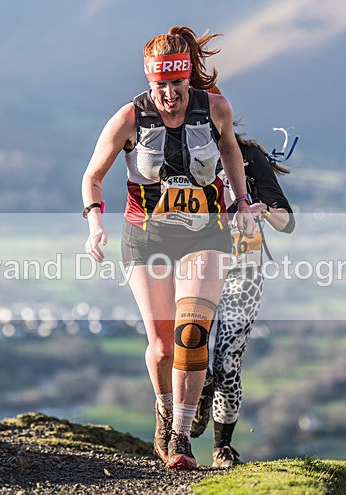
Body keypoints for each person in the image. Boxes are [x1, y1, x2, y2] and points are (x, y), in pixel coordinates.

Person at [81, 26, 256, 470]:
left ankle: (180, 438)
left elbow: (232, 152)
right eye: (161, 86)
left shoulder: (215, 109)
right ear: (149, 81)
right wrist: (95, 224)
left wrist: (241, 201)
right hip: (147, 237)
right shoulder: (128, 119)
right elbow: (93, 177)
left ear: (187, 79)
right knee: (162, 346)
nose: (170, 96)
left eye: (177, 85)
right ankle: (164, 410)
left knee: (192, 331)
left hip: (206, 234)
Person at [190, 131, 295, 468]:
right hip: (196, 267)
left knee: (228, 362)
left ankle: (223, 447)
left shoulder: (249, 157)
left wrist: (263, 213)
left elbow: (287, 221)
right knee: (192, 350)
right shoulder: (177, 147)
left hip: (243, 270)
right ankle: (200, 391)